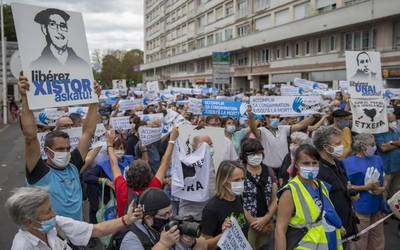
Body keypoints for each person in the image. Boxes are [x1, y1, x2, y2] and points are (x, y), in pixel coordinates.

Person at [18, 75, 100, 221]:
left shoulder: (73, 164)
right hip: (51, 238)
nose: (66, 152)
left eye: (68, 148)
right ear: (47, 152)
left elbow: (88, 132)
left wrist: (95, 100)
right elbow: (30, 138)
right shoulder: (39, 172)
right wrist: (25, 98)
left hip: (77, 237)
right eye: (60, 149)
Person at [6, 187, 143, 250]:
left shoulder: (56, 224)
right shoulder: (22, 246)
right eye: (47, 211)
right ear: (28, 222)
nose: (54, 214)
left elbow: (96, 230)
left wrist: (127, 219)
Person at [275, 144, 343, 250]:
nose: (311, 167)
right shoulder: (290, 191)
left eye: (314, 163)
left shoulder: (322, 186)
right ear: (296, 164)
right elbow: (280, 229)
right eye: (306, 163)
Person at [108, 128, 178, 217]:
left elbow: (114, 164)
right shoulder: (154, 187)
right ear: (150, 176)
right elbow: (165, 162)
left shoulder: (121, 186)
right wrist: (172, 140)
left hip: (125, 228)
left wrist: (109, 144)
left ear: (127, 174)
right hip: (146, 229)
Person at [118, 188, 208, 250]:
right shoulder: (132, 238)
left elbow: (204, 245)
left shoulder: (172, 226)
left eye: (170, 212)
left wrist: (192, 243)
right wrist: (163, 244)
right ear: (148, 218)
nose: (169, 217)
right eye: (165, 214)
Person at [312, 126, 359, 241]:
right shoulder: (317, 171)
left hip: (346, 221)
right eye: (338, 143)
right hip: (332, 229)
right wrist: (335, 223)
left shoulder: (338, 163)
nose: (342, 146)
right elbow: (318, 204)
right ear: (326, 147)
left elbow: (343, 188)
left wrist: (351, 195)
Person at [342, 133, 386, 250]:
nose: (374, 146)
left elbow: (383, 178)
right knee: (359, 241)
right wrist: (365, 188)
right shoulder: (348, 163)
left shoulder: (377, 159)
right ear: (362, 146)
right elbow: (346, 187)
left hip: (377, 206)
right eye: (372, 144)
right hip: (360, 207)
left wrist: (382, 188)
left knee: (377, 239)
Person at [249, 109, 316, 175]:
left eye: (278, 117)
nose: (276, 119)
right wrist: (251, 116)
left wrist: (314, 116)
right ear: (266, 118)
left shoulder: (283, 129)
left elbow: (301, 125)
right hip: (269, 169)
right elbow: (253, 129)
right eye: (273, 117)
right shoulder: (262, 130)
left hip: (284, 168)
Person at [200, 160, 249, 249]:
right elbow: (204, 245)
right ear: (224, 181)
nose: (241, 182)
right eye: (236, 180)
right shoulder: (211, 208)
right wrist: (224, 234)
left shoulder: (238, 198)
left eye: (243, 179)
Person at [240, 138, 277, 250]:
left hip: (267, 222)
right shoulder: (240, 171)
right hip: (248, 224)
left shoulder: (270, 171)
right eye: (251, 154)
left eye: (258, 153)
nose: (256, 156)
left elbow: (274, 199)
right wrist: (254, 223)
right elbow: (238, 200)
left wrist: (266, 219)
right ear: (244, 156)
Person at [178, 135, 217, 221]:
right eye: (206, 145)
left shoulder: (209, 162)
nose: (210, 147)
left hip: (207, 216)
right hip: (191, 217)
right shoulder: (187, 164)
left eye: (211, 144)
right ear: (196, 148)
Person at [374, 112, 400, 198]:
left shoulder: (396, 128)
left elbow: (387, 146)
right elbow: (383, 148)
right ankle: (385, 210)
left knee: (396, 192)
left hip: (398, 166)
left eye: (391, 113)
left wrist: (391, 143)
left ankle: (393, 210)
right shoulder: (378, 131)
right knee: (384, 191)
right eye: (388, 113)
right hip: (387, 167)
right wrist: (397, 143)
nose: (391, 115)